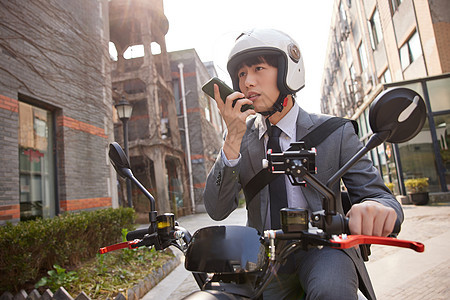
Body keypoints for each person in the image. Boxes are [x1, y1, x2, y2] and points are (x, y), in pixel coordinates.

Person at [203, 28, 402, 300]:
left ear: (288, 71)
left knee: (331, 291)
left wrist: (377, 207)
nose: (248, 81)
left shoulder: (336, 132)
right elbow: (216, 209)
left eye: (258, 68)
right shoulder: (240, 139)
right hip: (266, 258)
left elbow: (380, 195)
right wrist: (232, 140)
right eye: (241, 74)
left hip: (325, 248)